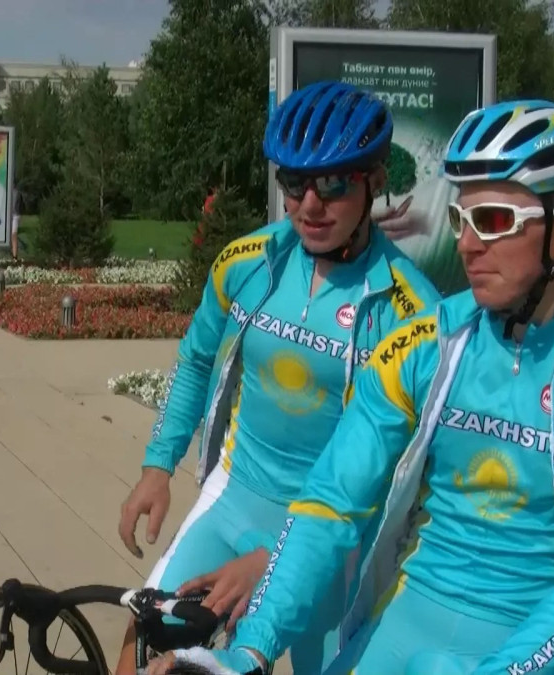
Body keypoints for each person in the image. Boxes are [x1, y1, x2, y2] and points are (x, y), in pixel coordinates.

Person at [147, 99, 554, 675]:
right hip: (408, 619)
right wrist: (250, 649)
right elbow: (332, 504)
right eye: (461, 219)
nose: (467, 244)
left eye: (494, 221)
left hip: (540, 648)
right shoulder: (422, 346)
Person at [116, 81, 441, 675]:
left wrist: (278, 559)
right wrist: (157, 467)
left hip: (336, 545)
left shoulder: (411, 311)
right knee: (144, 641)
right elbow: (195, 359)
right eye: (294, 183)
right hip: (234, 498)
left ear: (373, 180)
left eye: (333, 184)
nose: (309, 205)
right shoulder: (247, 262)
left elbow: (398, 474)